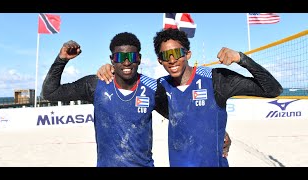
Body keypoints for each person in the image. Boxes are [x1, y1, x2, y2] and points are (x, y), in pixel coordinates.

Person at [96, 28, 283, 167]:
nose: (172, 59)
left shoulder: (215, 79)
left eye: (177, 53)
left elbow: (273, 89)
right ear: (159, 60)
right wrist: (110, 69)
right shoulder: (160, 86)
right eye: (165, 55)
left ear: (188, 54)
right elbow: (181, 116)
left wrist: (241, 58)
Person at [42, 32, 231, 167]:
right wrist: (62, 59)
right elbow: (51, 93)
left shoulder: (152, 88)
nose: (126, 62)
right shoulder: (96, 84)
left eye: (131, 56)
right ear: (112, 59)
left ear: (139, 59)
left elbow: (181, 115)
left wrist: (220, 132)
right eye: (120, 57)